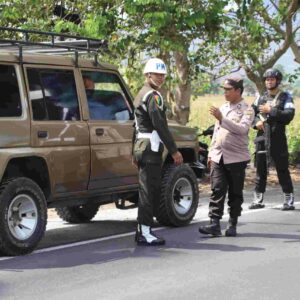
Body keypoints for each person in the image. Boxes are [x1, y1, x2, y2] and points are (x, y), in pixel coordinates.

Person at [132, 58, 183, 246]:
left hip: (142, 147)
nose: (160, 78)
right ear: (148, 75)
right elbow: (160, 125)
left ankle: (142, 230)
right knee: (149, 192)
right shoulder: (153, 96)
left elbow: (135, 125)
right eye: (157, 74)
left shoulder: (141, 93)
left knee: (146, 190)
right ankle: (145, 232)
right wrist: (174, 151)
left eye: (162, 75)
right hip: (150, 148)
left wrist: (133, 153)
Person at [198, 75, 254, 237]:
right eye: (224, 89)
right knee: (217, 190)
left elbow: (242, 129)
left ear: (238, 90)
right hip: (218, 156)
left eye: (229, 90)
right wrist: (210, 153)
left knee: (235, 192)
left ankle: (232, 223)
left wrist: (222, 119)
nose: (225, 92)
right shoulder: (223, 107)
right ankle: (214, 224)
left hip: (236, 158)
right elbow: (216, 132)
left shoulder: (247, 109)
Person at [249, 68, 295, 211]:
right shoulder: (260, 98)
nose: (269, 81)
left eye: (272, 79)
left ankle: (288, 198)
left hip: (278, 138)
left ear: (278, 81)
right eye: (267, 79)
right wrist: (255, 123)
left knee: (282, 169)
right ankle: (258, 199)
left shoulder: (285, 97)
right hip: (262, 138)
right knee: (260, 169)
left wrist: (271, 111)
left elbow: (289, 115)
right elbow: (251, 114)